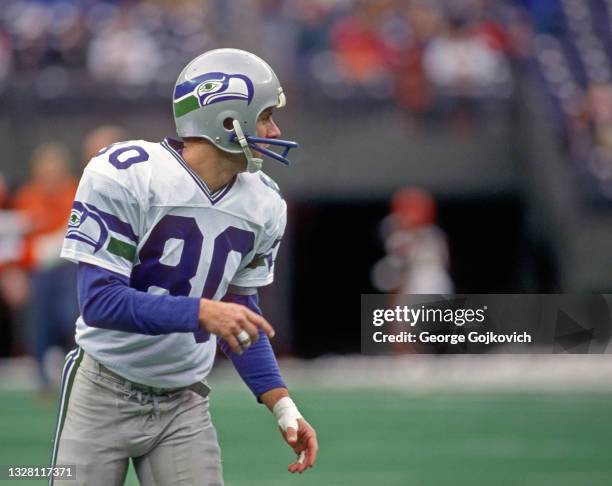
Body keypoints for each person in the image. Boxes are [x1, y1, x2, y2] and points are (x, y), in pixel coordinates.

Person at [50, 48, 318, 485]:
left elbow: (239, 318)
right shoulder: (126, 174)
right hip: (102, 389)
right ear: (230, 120)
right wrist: (202, 311)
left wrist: (283, 406)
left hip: (184, 401)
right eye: (266, 116)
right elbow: (99, 302)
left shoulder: (264, 202)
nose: (276, 129)